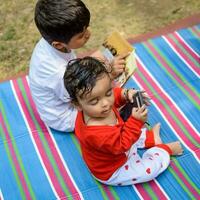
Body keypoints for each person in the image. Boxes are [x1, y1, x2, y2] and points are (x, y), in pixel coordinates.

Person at [63, 56, 183, 185]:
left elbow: (115, 93)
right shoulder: (94, 133)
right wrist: (136, 122)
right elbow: (122, 144)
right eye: (94, 101)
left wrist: (126, 94)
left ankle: (150, 138)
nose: (106, 103)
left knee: (131, 131)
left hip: (118, 142)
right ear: (77, 105)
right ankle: (163, 150)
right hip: (113, 168)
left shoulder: (98, 106)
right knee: (148, 171)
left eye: (108, 93)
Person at [29, 0, 128, 132]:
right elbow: (83, 94)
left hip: (70, 88)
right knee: (110, 111)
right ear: (58, 44)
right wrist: (110, 74)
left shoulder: (54, 40)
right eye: (81, 35)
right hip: (66, 116)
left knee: (102, 60)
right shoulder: (57, 72)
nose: (88, 34)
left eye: (87, 27)